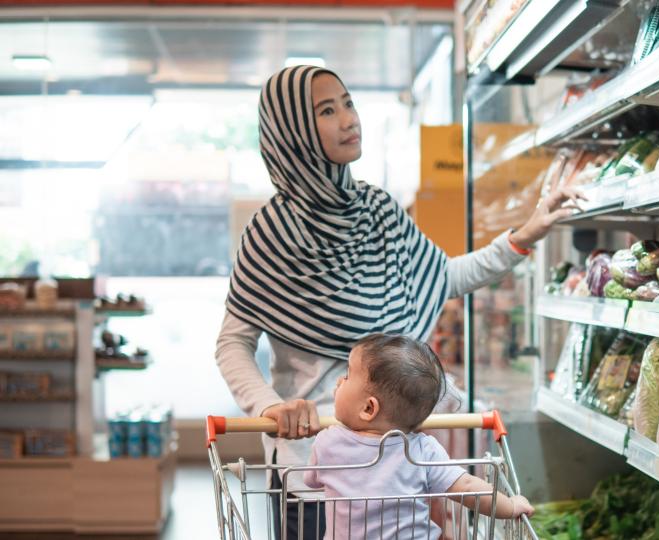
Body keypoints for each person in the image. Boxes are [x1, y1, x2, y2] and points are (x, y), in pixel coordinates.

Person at [215, 64, 580, 538]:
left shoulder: (380, 211)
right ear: (292, 132)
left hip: (399, 462)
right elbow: (232, 343)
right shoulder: (270, 236)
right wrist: (268, 405)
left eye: (348, 102)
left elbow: (440, 276)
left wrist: (524, 236)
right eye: (327, 110)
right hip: (315, 470)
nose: (349, 119)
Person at [302, 334, 533, 539]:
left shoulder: (328, 442)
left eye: (347, 376)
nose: (339, 381)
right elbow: (468, 486)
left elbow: (311, 481)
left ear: (368, 409)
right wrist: (510, 507)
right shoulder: (423, 449)